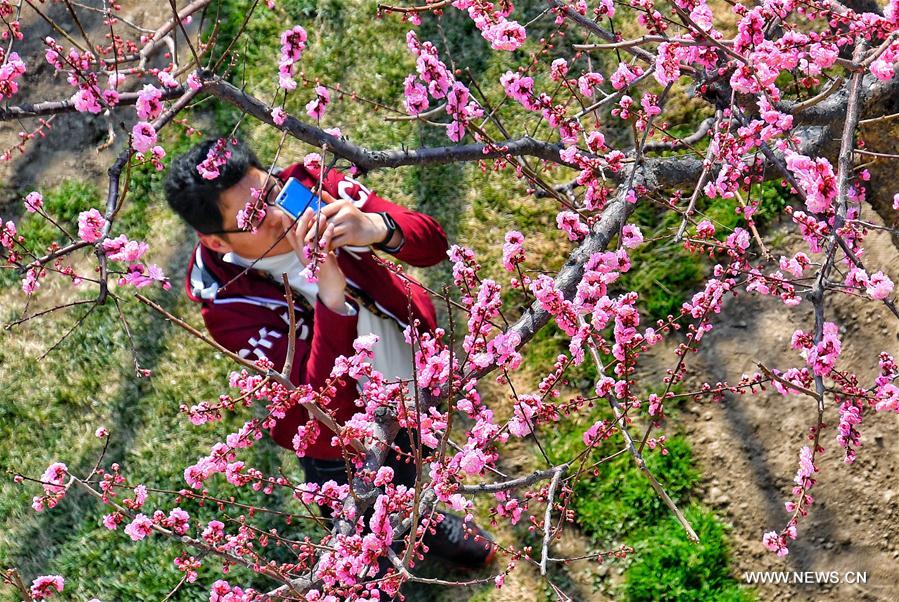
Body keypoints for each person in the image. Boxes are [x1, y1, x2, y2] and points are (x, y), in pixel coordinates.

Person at [164, 137, 495, 570]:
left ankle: (428, 521)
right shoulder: (229, 307)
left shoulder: (307, 186)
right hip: (341, 440)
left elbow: (431, 243)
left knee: (419, 467)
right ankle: (390, 553)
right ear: (214, 241)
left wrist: (377, 228)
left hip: (409, 366)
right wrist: (331, 298)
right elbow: (318, 400)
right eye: (254, 218)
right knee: (366, 532)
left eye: (269, 192)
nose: (281, 215)